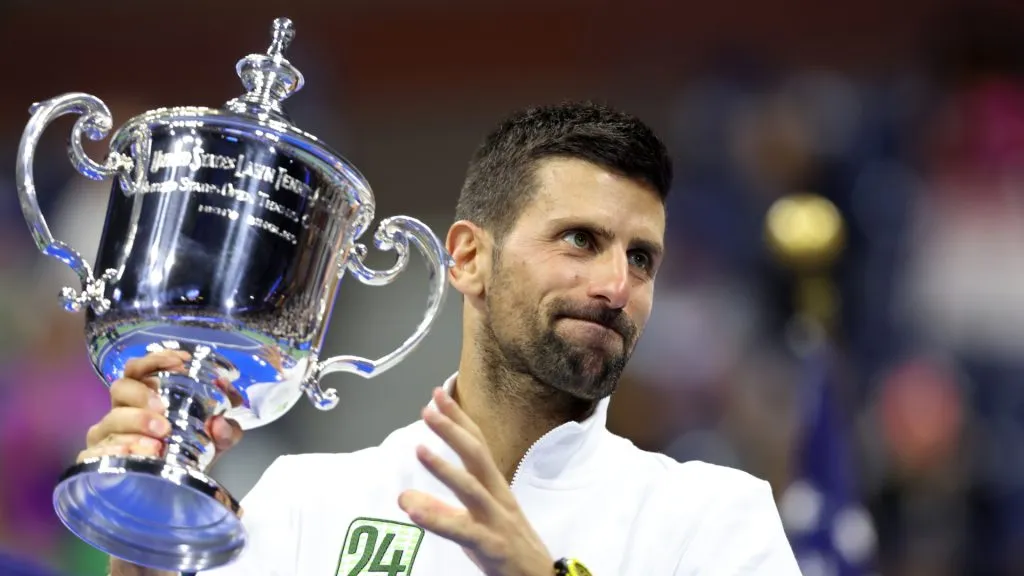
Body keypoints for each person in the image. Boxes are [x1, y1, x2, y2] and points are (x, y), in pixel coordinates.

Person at [82, 102, 800, 575]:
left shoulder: (713, 518)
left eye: (641, 257)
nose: (618, 286)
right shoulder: (309, 500)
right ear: (466, 258)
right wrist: (144, 530)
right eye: (580, 240)